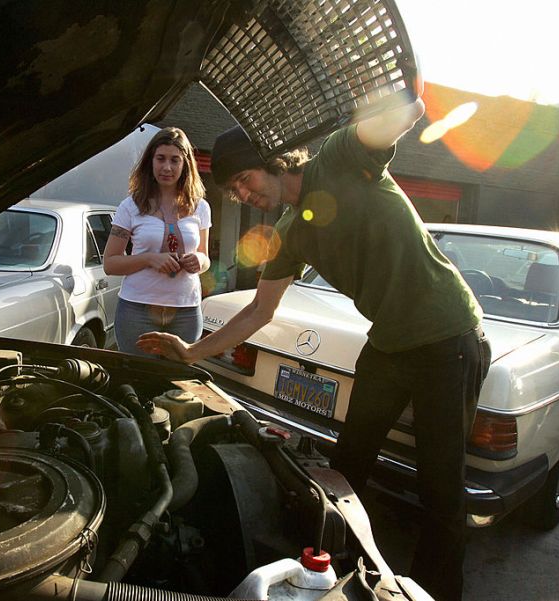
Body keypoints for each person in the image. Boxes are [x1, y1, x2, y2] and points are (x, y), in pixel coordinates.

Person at [137, 96, 491, 601]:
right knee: (345, 469)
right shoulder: (290, 232)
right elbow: (259, 312)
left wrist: (412, 103)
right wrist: (192, 352)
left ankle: (435, 592)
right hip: (389, 344)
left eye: (245, 180)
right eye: (234, 189)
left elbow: (385, 125)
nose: (243, 194)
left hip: (449, 337)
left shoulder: (341, 159)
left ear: (275, 160)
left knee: (440, 493)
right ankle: (326, 572)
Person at [103, 127, 211, 355]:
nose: (167, 167)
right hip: (137, 310)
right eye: (160, 159)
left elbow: (205, 257)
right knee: (137, 380)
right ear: (150, 161)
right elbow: (110, 263)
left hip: (186, 311)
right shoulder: (130, 206)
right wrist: (150, 259)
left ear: (185, 165)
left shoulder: (201, 207)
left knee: (178, 384)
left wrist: (199, 261)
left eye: (175, 160)